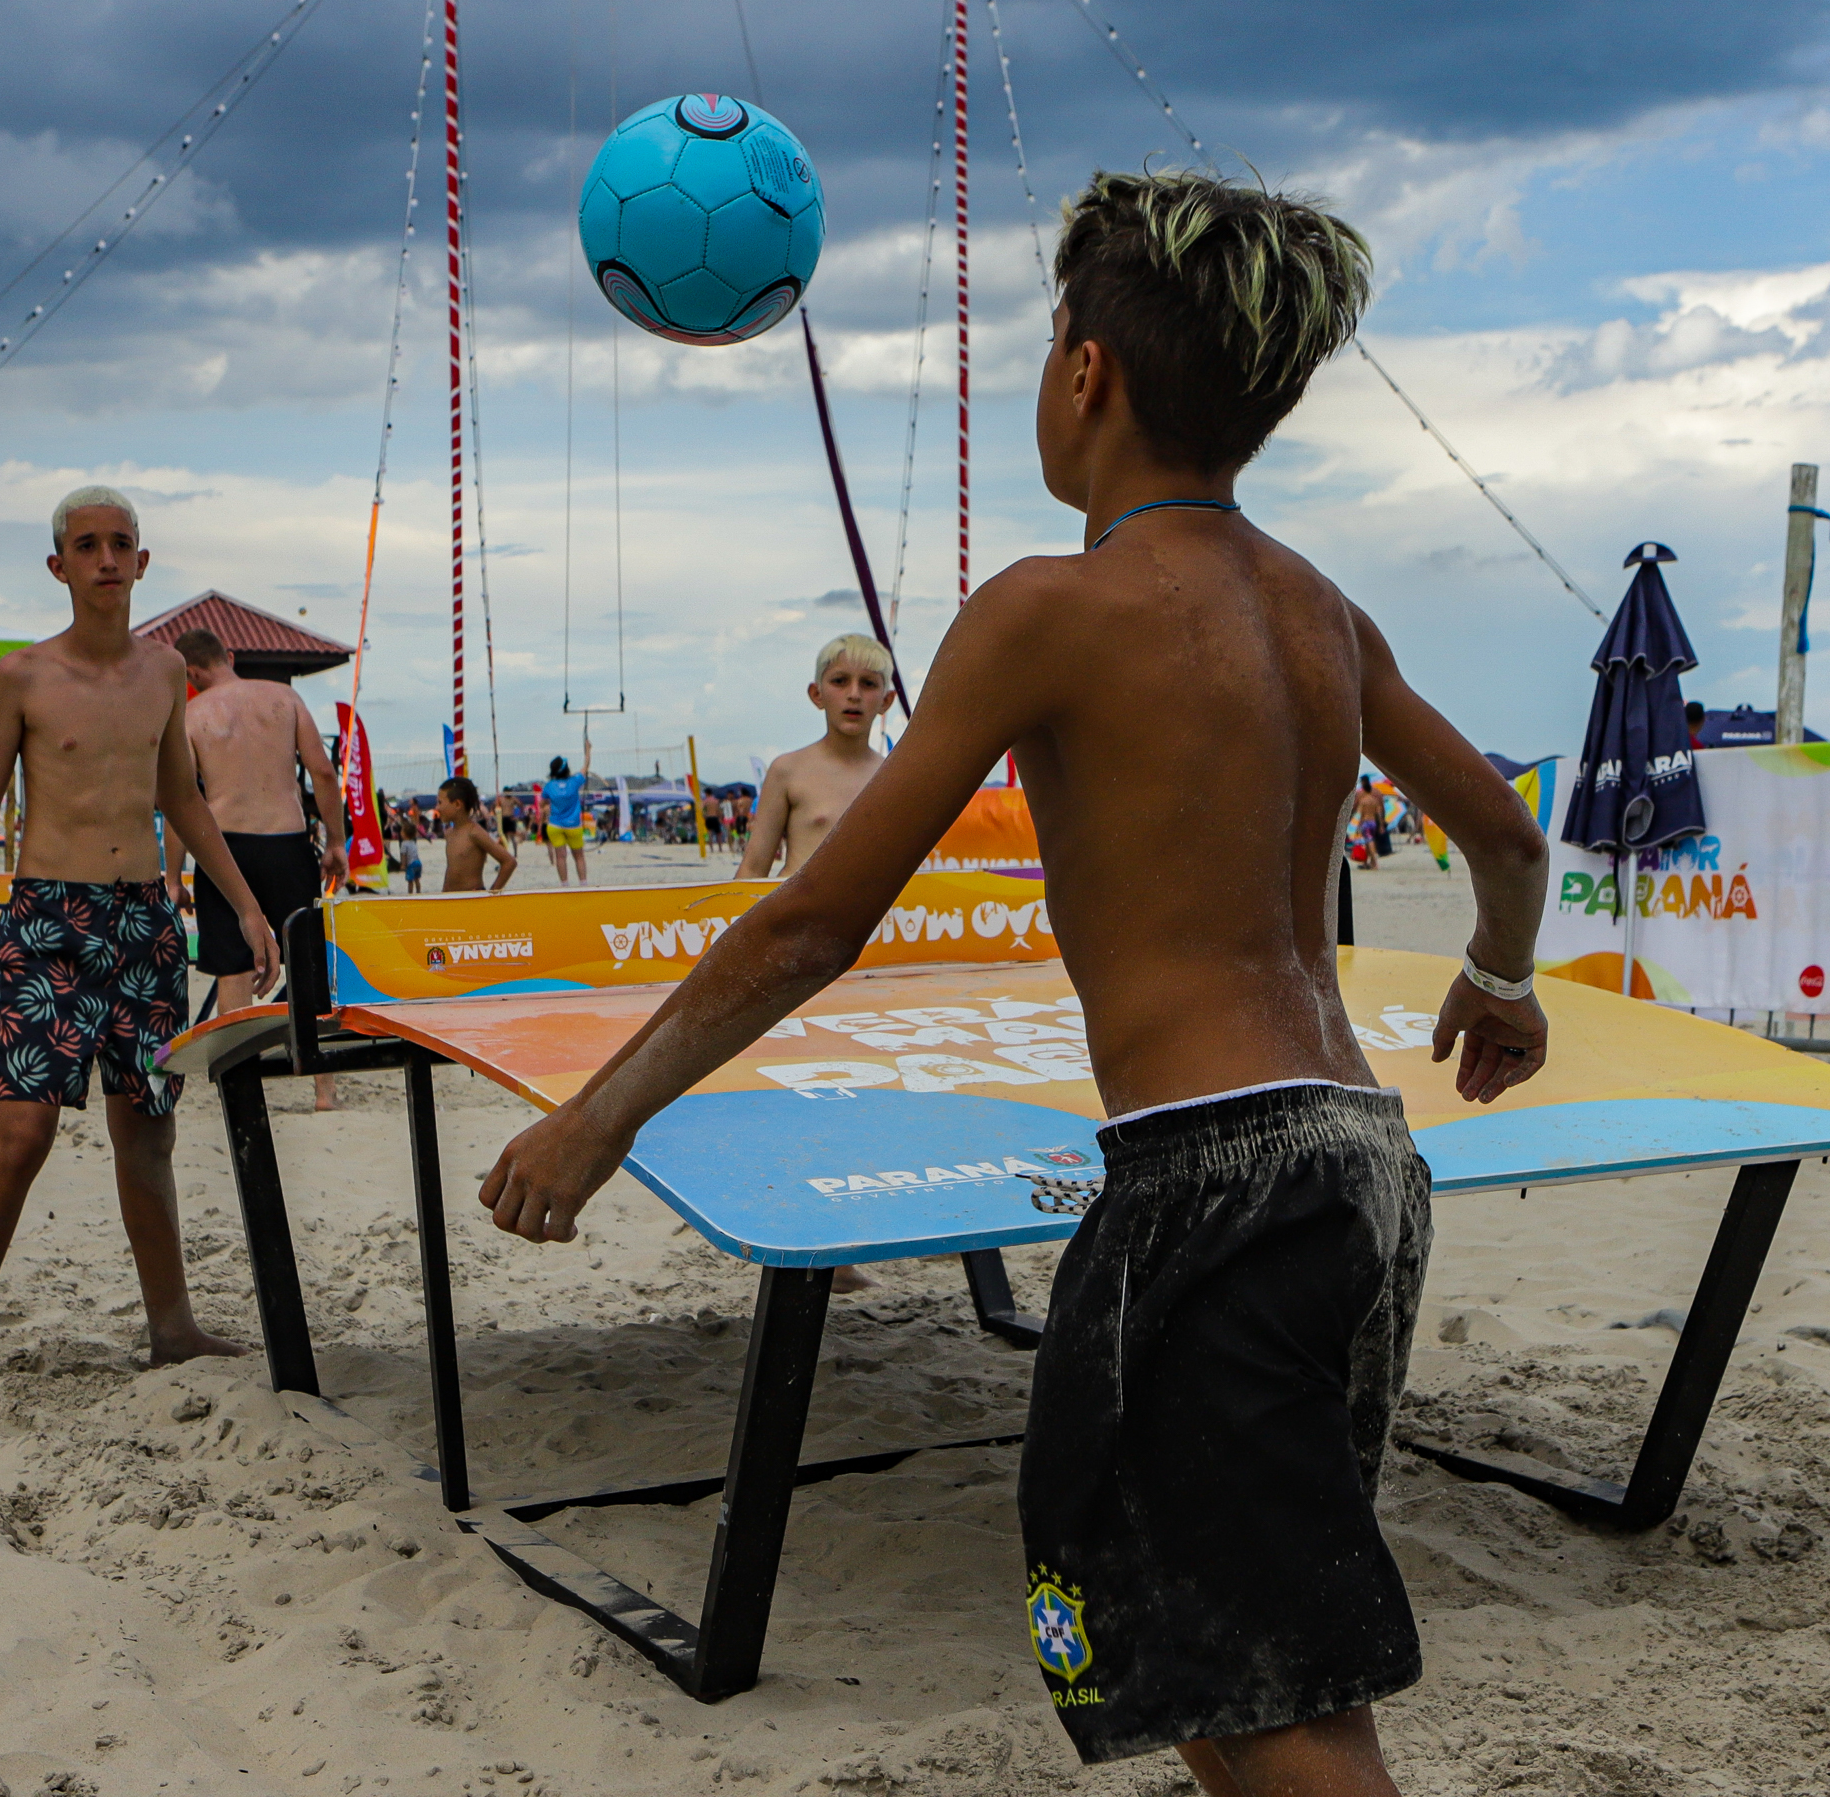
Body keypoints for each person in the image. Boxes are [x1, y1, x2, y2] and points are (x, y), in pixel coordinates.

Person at [481, 171, 1551, 1789]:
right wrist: (1500, 979)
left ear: (1085, 372)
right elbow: (1505, 838)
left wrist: (601, 1115)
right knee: (1256, 1643)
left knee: (1229, 1681)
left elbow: (810, 923)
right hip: (1360, 1168)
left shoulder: (1050, 608)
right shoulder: (1324, 614)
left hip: (1211, 1183)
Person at [0, 486, 279, 1415]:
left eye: (122, 544)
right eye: (86, 545)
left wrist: (247, 904)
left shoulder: (162, 676)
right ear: (59, 565)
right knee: (21, 1131)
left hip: (144, 921)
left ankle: (171, 1325)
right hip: (48, 922)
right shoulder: (23, 677)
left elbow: (181, 799)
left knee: (146, 1128)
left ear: (143, 564)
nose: (106, 559)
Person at [164, 628, 346, 1109]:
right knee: (306, 965)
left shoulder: (192, 715)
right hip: (287, 842)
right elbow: (323, 772)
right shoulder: (284, 698)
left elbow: (183, 803)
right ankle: (323, 1087)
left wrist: (172, 877)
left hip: (223, 849)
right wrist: (337, 841)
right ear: (230, 654)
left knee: (233, 968)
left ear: (192, 673)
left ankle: (242, 1085)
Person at [736, 635, 895, 880]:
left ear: (886, 700)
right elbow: (753, 868)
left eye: (868, 683)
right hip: (797, 911)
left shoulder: (894, 778)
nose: (854, 694)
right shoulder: (788, 771)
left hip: (869, 915)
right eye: (840, 681)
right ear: (816, 694)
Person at [436, 775, 515, 893]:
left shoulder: (474, 832)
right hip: (450, 900)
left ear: (457, 804)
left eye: (440, 802)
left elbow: (509, 862)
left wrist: (492, 893)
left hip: (471, 900)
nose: (437, 807)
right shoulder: (449, 833)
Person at [542, 754, 589, 886]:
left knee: (560, 857)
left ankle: (564, 886)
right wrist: (588, 751)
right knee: (579, 857)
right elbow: (585, 767)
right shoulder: (574, 781)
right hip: (572, 825)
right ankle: (583, 885)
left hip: (555, 825)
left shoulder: (549, 786)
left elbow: (544, 802)